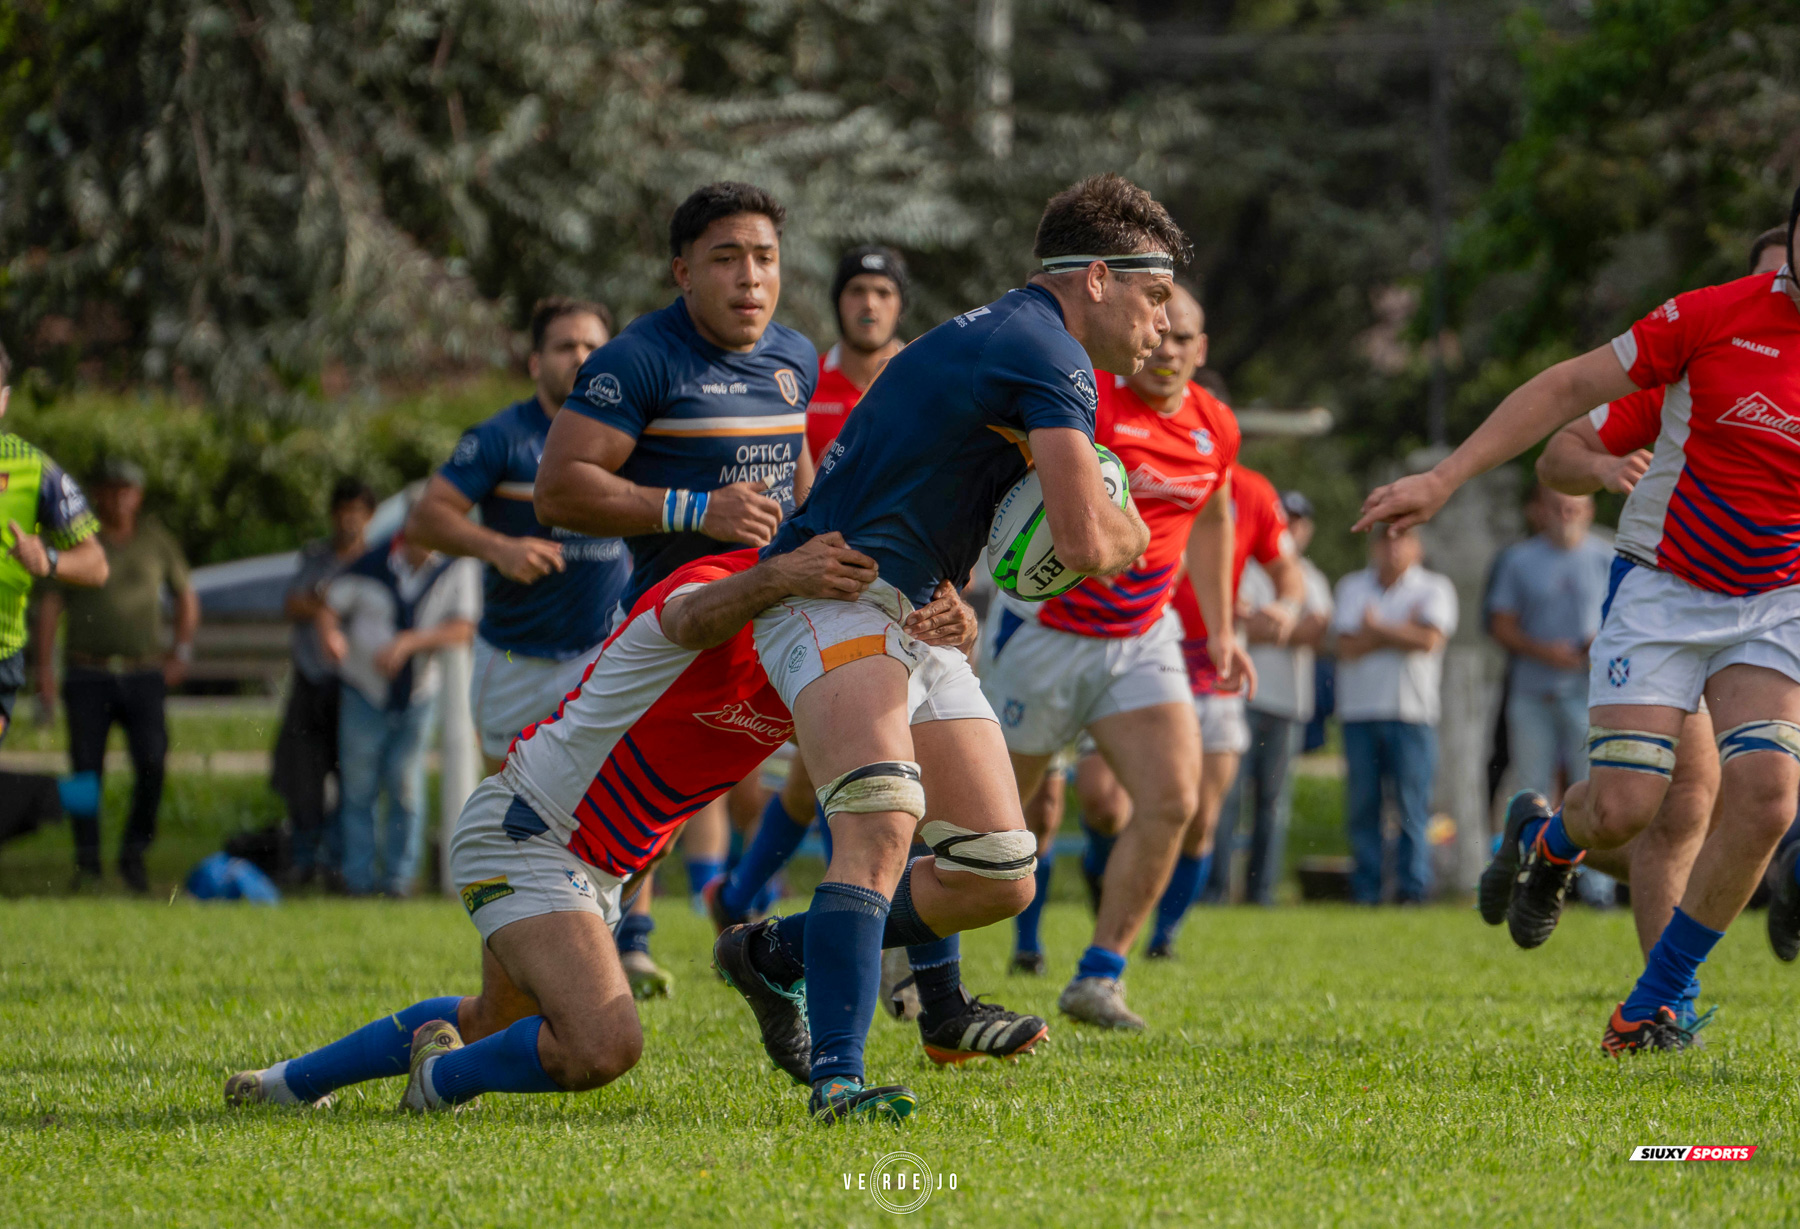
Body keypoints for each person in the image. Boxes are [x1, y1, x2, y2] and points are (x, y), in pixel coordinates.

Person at [713, 173, 1171, 1121]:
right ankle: (839, 1078)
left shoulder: (1015, 334)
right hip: (830, 599)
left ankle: (774, 952)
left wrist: (955, 591)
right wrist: (1134, 521)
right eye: (1154, 294)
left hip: (910, 608)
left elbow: (950, 495)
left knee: (1000, 868)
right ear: (1096, 278)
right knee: (881, 820)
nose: (1162, 323)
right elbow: (1088, 545)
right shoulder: (1054, 357)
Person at [219, 533, 940, 1114]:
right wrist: (779, 574)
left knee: (493, 1023)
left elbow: (848, 764)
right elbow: (692, 616)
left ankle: (284, 1084)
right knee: (603, 1043)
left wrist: (944, 634)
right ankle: (437, 1083)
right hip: (531, 830)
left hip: (595, 867)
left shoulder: (819, 651)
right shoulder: (724, 583)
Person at [1358, 198, 1800, 1051]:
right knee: (1632, 807)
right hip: (1667, 587)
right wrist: (1443, 479)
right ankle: (1550, 840)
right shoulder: (1711, 317)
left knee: (1767, 798)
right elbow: (1565, 394)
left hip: (1776, 596)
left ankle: (1652, 1003)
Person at [535, 181, 819, 996]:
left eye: (764, 258)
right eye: (725, 259)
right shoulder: (639, 359)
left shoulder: (795, 357)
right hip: (677, 633)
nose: (749, 278)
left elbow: (797, 485)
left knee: (872, 770)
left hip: (778, 624)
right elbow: (559, 490)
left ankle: (909, 976)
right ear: (681, 272)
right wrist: (696, 506)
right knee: (625, 823)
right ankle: (579, 952)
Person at [979, 280, 1246, 1032]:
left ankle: (1099, 975)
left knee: (1172, 799)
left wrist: (1218, 630)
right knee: (995, 819)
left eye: (1184, 338)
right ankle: (912, 943)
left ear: (1202, 349)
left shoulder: (1215, 424)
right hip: (1044, 632)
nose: (1167, 349)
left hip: (1141, 637)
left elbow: (1217, 512)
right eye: (1158, 333)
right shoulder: (1088, 399)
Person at [1523, 380, 1720, 1020]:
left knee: (1760, 805)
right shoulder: (1703, 352)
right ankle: (1666, 1001)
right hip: (1674, 603)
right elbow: (1559, 445)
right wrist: (1606, 466)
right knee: (1653, 811)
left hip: (1773, 603)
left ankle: (1543, 834)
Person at [405, 297, 627, 776]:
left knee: (616, 815)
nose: (581, 357)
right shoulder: (501, 436)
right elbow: (425, 519)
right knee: (510, 809)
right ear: (534, 362)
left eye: (593, 345)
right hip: (515, 658)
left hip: (605, 653)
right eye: (565, 346)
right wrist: (499, 548)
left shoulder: (634, 434)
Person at [37, 458, 195, 894]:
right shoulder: (75, 539)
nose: (120, 497)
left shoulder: (156, 541)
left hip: (144, 674)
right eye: (111, 489)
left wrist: (181, 651)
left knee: (152, 764)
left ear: (138, 496)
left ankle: (133, 855)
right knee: (85, 772)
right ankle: (87, 864)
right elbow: (50, 608)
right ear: (97, 494)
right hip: (88, 672)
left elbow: (187, 597)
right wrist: (44, 672)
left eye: (128, 490)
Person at [1161, 464, 1302, 927]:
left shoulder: (1253, 491)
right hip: (1149, 650)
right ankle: (1113, 900)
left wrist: (1283, 607)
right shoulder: (1148, 467)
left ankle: (1164, 936)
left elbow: (1288, 572)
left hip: (1214, 664)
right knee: (1120, 806)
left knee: (1201, 816)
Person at [316, 531, 479, 897]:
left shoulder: (457, 566)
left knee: (406, 788)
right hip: (363, 689)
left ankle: (398, 883)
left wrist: (408, 643)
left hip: (418, 694)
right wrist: (331, 635)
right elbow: (329, 604)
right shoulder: (371, 563)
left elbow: (465, 627)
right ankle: (357, 881)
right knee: (358, 789)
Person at [1330, 522, 1457, 905]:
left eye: (1402, 538)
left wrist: (1376, 628)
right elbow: (1344, 646)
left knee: (1412, 807)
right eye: (1385, 539)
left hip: (1412, 713)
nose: (1393, 546)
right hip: (1359, 712)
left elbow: (1430, 640)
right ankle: (1366, 889)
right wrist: (1402, 631)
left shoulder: (1435, 587)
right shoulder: (1352, 586)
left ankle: (1412, 890)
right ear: (1374, 546)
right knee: (1364, 805)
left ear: (1417, 546)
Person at [1226, 489, 1334, 905]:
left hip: (1289, 703)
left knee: (1273, 805)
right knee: (1229, 800)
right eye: (1285, 518)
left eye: (1298, 521)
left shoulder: (1313, 576)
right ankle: (1218, 890)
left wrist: (1256, 624)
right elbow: (1290, 628)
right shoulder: (1248, 566)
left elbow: (1317, 633)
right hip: (1243, 699)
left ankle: (1261, 893)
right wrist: (1286, 627)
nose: (1291, 527)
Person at [273, 478, 376, 887]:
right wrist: (334, 602)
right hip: (311, 682)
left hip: (354, 686)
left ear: (369, 516)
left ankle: (338, 864)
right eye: (342, 509)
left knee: (352, 779)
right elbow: (294, 602)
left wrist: (327, 601)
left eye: (357, 510)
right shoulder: (315, 556)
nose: (348, 518)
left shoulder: (375, 559)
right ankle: (303, 861)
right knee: (302, 777)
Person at [1485, 484, 1615, 805]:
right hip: (1531, 692)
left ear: (1589, 512)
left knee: (1588, 785)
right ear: (1542, 510)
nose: (1565, 516)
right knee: (1532, 789)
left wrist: (1601, 640)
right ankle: (1536, 854)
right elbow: (1500, 625)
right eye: (1558, 507)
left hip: (1588, 693)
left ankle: (1583, 857)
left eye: (1573, 508)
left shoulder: (1608, 557)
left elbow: (1630, 616)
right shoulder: (1517, 559)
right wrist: (1545, 652)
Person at [804, 245, 908, 464]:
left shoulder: (927, 382)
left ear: (902, 308)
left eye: (883, 292)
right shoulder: (803, 381)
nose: (869, 304)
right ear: (837, 302)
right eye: (856, 291)